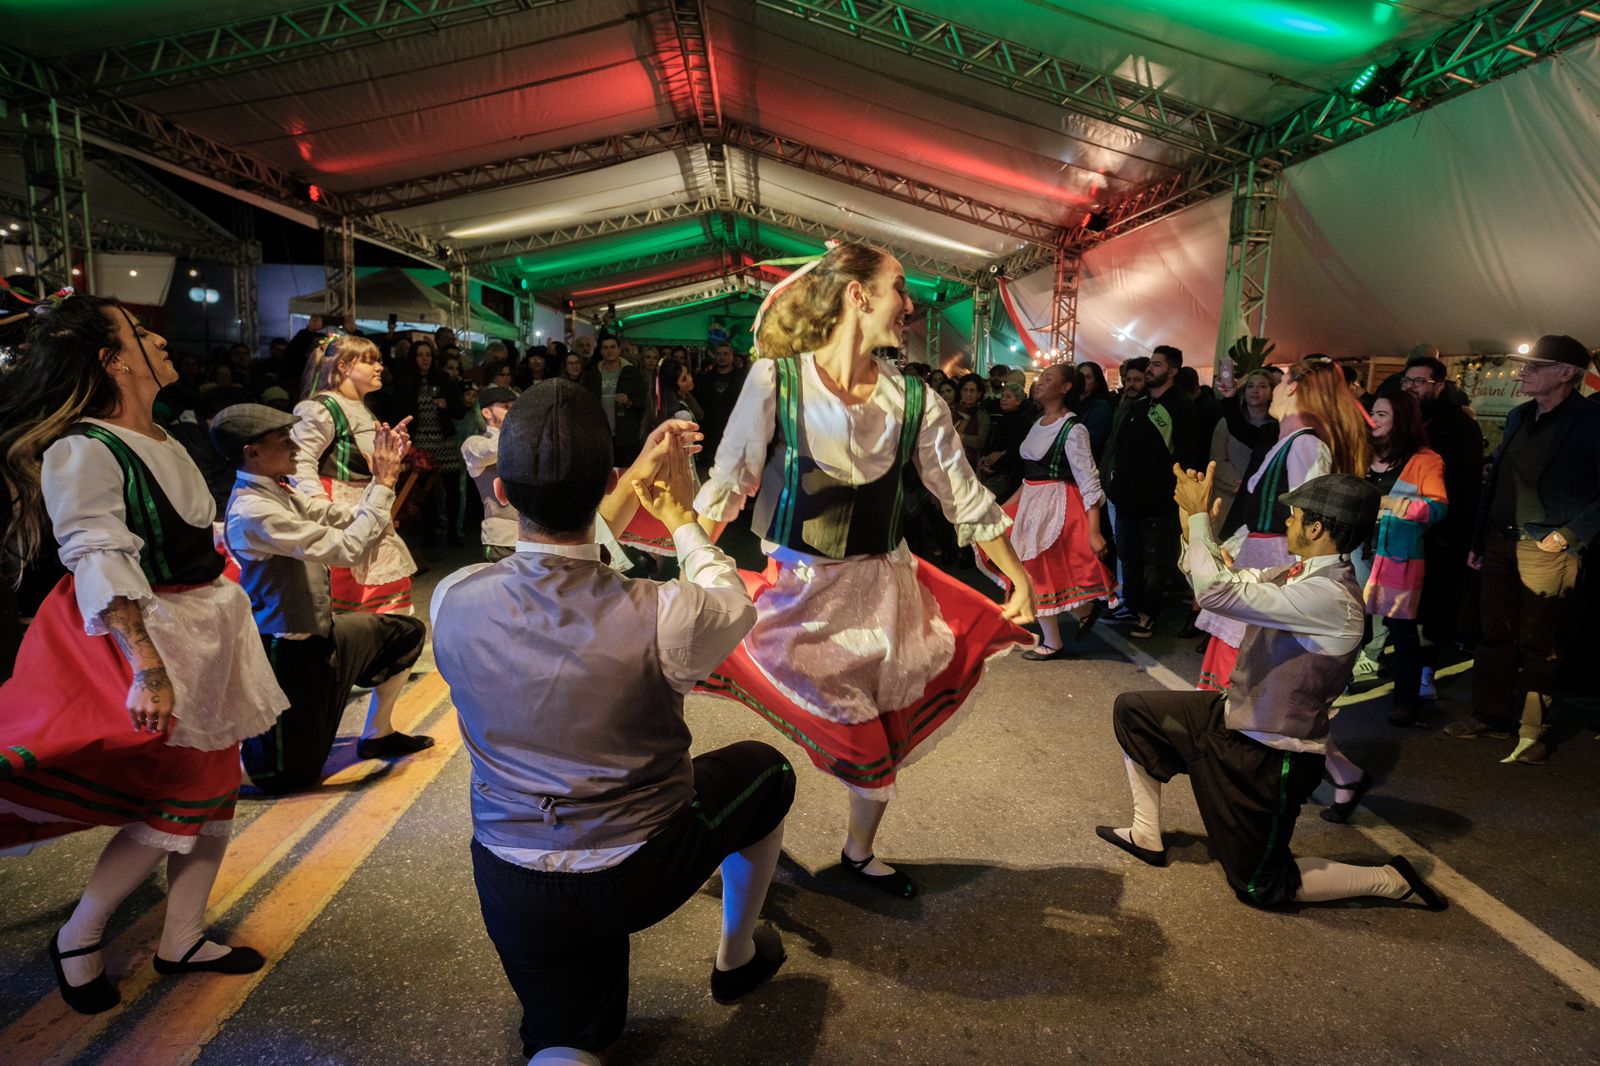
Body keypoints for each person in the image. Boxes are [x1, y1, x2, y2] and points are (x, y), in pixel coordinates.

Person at [430, 382, 791, 1062]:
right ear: (605, 484)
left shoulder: (452, 598)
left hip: (512, 873)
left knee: (567, 1042)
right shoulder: (665, 613)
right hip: (638, 865)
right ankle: (737, 954)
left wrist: (625, 488)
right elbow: (730, 599)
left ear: (502, 492)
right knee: (767, 772)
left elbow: (564, 549)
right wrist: (679, 517)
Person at [694, 242, 1036, 899]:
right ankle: (694, 825)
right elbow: (729, 484)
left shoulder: (915, 399)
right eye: (899, 288)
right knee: (687, 669)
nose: (910, 304)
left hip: (884, 595)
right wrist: (690, 563)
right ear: (858, 294)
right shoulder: (776, 381)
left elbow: (962, 495)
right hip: (797, 594)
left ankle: (858, 852)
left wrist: (1015, 575)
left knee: (877, 742)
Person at [0, 295, 285, 1013]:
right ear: (114, 361)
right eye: (139, 332)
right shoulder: (85, 449)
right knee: (180, 793)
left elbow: (186, 533)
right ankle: (80, 935)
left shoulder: (162, 436)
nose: (157, 339)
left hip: (204, 627)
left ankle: (181, 937)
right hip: (158, 636)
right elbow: (96, 556)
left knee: (215, 785)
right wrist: (147, 668)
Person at [1100, 468, 1446, 913]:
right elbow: (1223, 583)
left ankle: (1391, 880)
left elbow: (1216, 594)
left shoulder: (1331, 597)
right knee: (1136, 712)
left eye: (1294, 515)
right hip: (1233, 723)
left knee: (1260, 886)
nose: (1287, 521)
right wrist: (1192, 527)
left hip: (1271, 758)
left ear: (1316, 528)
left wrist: (1201, 520)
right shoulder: (1296, 574)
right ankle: (1145, 833)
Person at [217, 404, 430, 791]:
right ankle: (204, 778)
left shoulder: (278, 491)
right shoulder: (254, 510)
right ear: (253, 452)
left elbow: (344, 516)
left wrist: (383, 478)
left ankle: (378, 733)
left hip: (320, 634)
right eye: (284, 441)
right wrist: (382, 484)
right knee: (290, 776)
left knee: (405, 632)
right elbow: (348, 549)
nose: (295, 447)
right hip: (287, 649)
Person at [1450, 335, 1600, 764]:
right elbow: (1499, 482)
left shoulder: (1592, 420)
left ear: (1567, 373)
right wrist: (1480, 539)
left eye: (1536, 366)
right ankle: (1490, 716)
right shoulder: (1519, 415)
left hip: (1547, 547)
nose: (1524, 372)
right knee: (1494, 635)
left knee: (1539, 642)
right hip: (1500, 540)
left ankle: (1533, 731)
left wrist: (1567, 536)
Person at [1197, 359, 1367, 691]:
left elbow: (1311, 522)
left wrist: (1298, 580)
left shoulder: (1306, 444)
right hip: (1262, 553)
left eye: (1280, 382)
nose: (1274, 390)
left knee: (1249, 655)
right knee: (1239, 650)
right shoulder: (1290, 440)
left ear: (1292, 387)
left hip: (1277, 560)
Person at [978, 363, 1112, 659]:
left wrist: (1094, 530)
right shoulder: (1038, 422)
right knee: (1033, 568)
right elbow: (1031, 476)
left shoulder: (1073, 429)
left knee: (1036, 570)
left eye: (1048, 379)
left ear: (1066, 388)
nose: (1039, 382)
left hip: (1056, 505)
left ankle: (1054, 640)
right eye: (1041, 378)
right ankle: (1082, 612)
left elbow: (1088, 479)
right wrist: (1005, 508)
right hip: (1032, 500)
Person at [291, 335, 418, 616]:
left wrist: (390, 454)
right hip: (339, 504)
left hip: (366, 503)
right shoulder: (322, 407)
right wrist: (319, 505)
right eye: (370, 361)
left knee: (386, 592)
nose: (379, 367)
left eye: (379, 361)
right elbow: (299, 461)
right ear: (344, 366)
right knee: (352, 590)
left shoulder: (359, 408)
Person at [1351, 390, 1447, 732]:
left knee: (1401, 629)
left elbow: (1438, 508)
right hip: (1356, 548)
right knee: (1348, 618)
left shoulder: (1425, 459)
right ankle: (1332, 683)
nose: (1373, 420)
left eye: (1382, 414)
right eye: (1372, 413)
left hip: (1397, 554)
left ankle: (1406, 700)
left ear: (1402, 420)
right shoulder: (1362, 453)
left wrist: (1394, 505)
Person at [1105, 345, 1204, 638]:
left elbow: (1186, 454)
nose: (1150, 368)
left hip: (1158, 502)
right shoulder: (1139, 405)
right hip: (1127, 499)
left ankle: (1148, 613)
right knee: (1129, 555)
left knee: (1155, 560)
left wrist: (1171, 493)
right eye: (1150, 363)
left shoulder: (1181, 407)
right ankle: (1132, 605)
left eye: (1157, 364)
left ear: (1172, 371)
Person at [1401, 351, 1485, 693]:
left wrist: (1452, 533)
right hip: (1401, 529)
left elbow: (1466, 485)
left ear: (1439, 385)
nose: (1411, 386)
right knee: (1402, 605)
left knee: (1434, 605)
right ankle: (1403, 665)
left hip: (1440, 533)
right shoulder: (1400, 419)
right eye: (1407, 380)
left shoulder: (1459, 425)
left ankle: (1426, 670)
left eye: (1420, 381)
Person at [1208, 368, 1277, 535]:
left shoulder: (1276, 427)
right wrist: (1237, 483)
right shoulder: (1227, 423)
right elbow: (1218, 459)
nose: (1255, 390)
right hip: (1228, 494)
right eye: (1250, 386)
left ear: (1271, 393)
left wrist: (1252, 485)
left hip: (1260, 497)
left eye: (1262, 386)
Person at [460, 386, 519, 563]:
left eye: (514, 407)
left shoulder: (521, 439)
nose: (512, 412)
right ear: (486, 412)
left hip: (536, 538)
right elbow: (491, 450)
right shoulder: (473, 443)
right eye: (506, 407)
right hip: (503, 540)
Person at [696, 341, 747, 462]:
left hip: (733, 431)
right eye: (719, 354)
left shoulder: (742, 377)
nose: (722, 357)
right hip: (709, 432)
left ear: (731, 356)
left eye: (725, 354)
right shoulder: (705, 377)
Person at [950, 373, 991, 470]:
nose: (968, 394)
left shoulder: (982, 415)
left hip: (970, 464)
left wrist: (958, 436)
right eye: (965, 390)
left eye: (972, 391)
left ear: (979, 393)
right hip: (948, 460)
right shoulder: (951, 410)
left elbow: (980, 441)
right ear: (960, 392)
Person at [1075, 361, 1114, 458]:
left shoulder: (1101, 406)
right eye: (1081, 377)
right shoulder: (1071, 402)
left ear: (1096, 382)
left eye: (1088, 377)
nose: (1083, 381)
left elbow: (1093, 439)